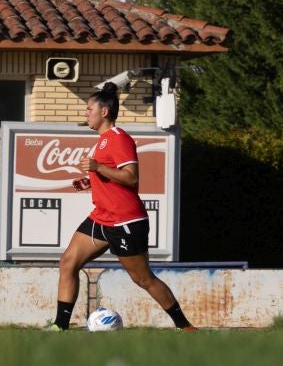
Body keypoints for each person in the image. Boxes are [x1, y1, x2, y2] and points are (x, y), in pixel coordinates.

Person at [51, 85, 194, 331]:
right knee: (67, 263)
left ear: (104, 111)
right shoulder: (101, 142)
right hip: (100, 218)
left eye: (89, 109)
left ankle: (185, 326)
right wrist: (90, 181)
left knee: (143, 278)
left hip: (125, 221)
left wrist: (97, 169)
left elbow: (131, 178)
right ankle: (59, 327)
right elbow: (111, 176)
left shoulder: (119, 138)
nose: (86, 114)